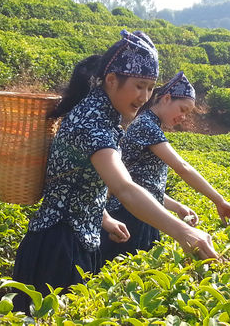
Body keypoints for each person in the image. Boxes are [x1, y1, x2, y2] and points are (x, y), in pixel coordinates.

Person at [12, 31, 218, 313]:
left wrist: (104, 217)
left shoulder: (104, 116)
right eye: (139, 86)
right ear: (111, 80)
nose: (144, 97)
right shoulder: (92, 121)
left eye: (150, 88)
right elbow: (123, 187)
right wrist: (182, 232)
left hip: (78, 239)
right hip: (57, 245)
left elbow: (81, 176)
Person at [99, 71, 230, 266]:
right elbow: (182, 168)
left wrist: (177, 206)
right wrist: (219, 200)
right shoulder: (146, 125)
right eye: (182, 109)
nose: (183, 117)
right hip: (131, 215)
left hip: (141, 213)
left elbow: (144, 184)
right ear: (166, 99)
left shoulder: (148, 124)